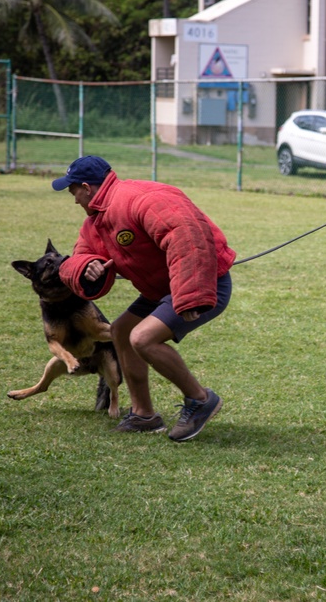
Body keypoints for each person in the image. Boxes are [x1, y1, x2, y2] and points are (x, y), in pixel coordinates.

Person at [52, 155, 234, 441]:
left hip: (202, 283)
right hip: (161, 290)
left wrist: (191, 296)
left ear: (86, 187)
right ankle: (144, 415)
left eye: (73, 191)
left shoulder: (140, 198)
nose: (74, 199)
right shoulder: (96, 221)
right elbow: (79, 256)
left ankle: (200, 400)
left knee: (143, 338)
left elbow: (186, 235)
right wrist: (87, 266)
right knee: (122, 331)